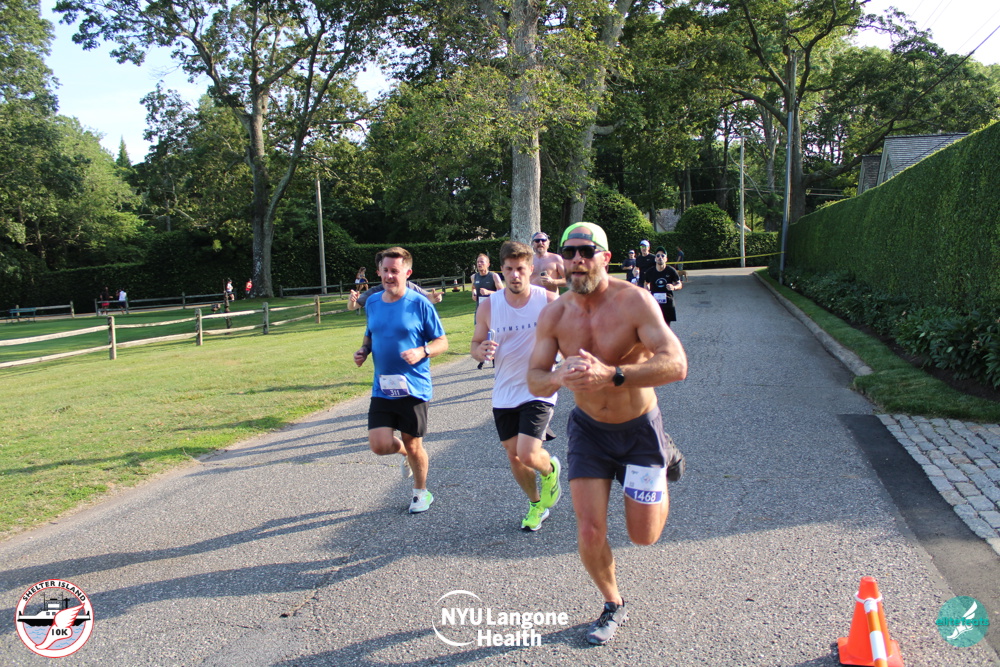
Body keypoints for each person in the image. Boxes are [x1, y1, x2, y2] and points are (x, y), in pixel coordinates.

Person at [527, 222, 687, 646]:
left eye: (586, 251)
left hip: (639, 431)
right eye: (569, 252)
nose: (577, 260)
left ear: (606, 257)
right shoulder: (555, 314)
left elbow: (677, 364)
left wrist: (613, 374)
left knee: (643, 536)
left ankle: (665, 455)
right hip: (589, 432)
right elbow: (534, 379)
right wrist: (558, 376)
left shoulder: (634, 301)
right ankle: (613, 602)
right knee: (589, 531)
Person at [471, 241, 561, 531]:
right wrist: (480, 350)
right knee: (514, 454)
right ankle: (536, 504)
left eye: (520, 268)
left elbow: (568, 338)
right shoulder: (489, 306)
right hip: (505, 390)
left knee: (527, 452)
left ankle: (549, 469)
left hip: (539, 387)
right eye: (509, 269)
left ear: (530, 269)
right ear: (502, 270)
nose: (515, 275)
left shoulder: (548, 300)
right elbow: (475, 344)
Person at [354, 247, 448, 514]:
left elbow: (442, 341)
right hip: (383, 387)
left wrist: (422, 351)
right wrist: (364, 350)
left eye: (394, 271)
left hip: (414, 387)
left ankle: (421, 493)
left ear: (407, 273)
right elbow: (371, 332)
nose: (389, 276)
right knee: (379, 445)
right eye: (385, 270)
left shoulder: (420, 303)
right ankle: (405, 455)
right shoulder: (373, 302)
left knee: (413, 442)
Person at [642, 247, 683, 328]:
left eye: (662, 256)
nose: (660, 257)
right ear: (655, 259)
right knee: (654, 326)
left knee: (666, 327)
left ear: (666, 259)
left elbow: (679, 284)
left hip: (667, 303)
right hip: (654, 303)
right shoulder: (650, 272)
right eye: (658, 256)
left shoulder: (671, 271)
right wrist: (647, 290)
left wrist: (674, 287)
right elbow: (646, 283)